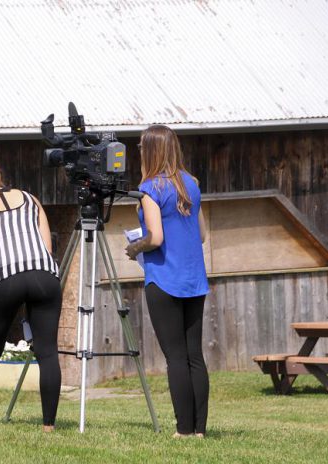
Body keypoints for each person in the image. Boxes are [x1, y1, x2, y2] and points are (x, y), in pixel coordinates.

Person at [0, 149, 62, 432]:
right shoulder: (31, 199)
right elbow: (46, 248)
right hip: (45, 275)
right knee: (48, 353)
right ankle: (49, 426)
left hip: (6, 279)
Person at [125, 125, 209, 438]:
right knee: (194, 357)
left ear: (151, 151)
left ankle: (183, 430)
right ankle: (199, 429)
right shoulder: (192, 185)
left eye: (140, 148)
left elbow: (156, 238)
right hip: (194, 280)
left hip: (164, 280)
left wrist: (135, 247)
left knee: (175, 358)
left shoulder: (150, 189)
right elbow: (201, 235)